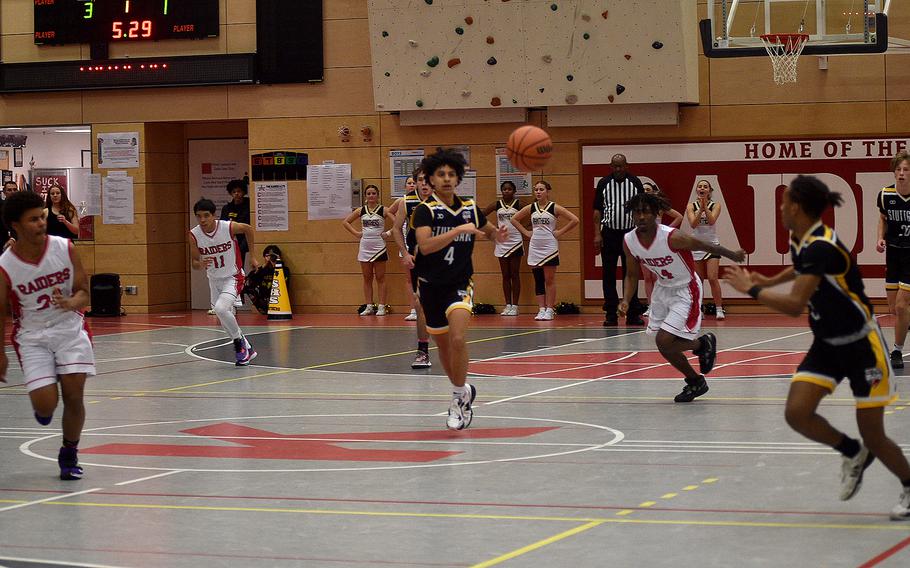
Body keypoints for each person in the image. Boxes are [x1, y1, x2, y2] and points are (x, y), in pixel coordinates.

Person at [725, 175, 910, 520]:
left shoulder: (821, 246)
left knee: (875, 433)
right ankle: (852, 451)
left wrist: (751, 289)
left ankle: (909, 483)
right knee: (797, 412)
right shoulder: (802, 237)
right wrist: (770, 280)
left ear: (796, 206)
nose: (780, 206)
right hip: (827, 343)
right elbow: (802, 266)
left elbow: (796, 305)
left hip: (861, 347)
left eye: (784, 202)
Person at [0, 191, 95, 480]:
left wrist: (71, 302)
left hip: (70, 328)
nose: (42, 223)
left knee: (74, 394)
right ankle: (45, 398)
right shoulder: (6, 266)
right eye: (33, 219)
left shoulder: (65, 247)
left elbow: (84, 291)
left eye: (42, 216)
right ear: (15, 225)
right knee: (45, 406)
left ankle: (69, 451)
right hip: (33, 335)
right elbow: (1, 313)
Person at [413, 148, 507, 430]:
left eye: (451, 174)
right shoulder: (424, 210)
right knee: (442, 346)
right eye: (440, 174)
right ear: (430, 178)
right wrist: (458, 231)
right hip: (430, 287)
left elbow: (487, 230)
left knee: (457, 339)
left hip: (459, 283)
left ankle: (458, 400)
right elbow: (426, 247)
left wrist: (496, 235)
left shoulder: (469, 207)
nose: (446, 178)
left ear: (458, 178)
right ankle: (462, 389)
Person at [619, 192, 745, 402]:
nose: (641, 217)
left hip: (686, 289)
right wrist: (625, 300)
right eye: (637, 212)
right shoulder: (629, 240)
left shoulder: (672, 236)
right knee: (664, 345)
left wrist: (732, 254)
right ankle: (695, 379)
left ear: (656, 214)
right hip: (663, 290)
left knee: (664, 340)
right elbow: (631, 275)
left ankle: (701, 345)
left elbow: (706, 246)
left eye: (646, 212)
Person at [189, 198, 260, 366]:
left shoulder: (228, 227)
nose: (203, 220)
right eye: (199, 216)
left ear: (214, 215)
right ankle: (247, 347)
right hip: (213, 279)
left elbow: (248, 229)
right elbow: (194, 263)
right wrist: (200, 264)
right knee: (221, 314)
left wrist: (253, 256)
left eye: (206, 215)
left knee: (221, 309)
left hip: (233, 277)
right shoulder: (193, 235)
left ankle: (239, 345)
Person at [511, 181, 579, 321]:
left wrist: (560, 232)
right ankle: (541, 309)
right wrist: (526, 232)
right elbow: (514, 219)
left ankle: (550, 309)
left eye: (541, 189)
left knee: (549, 279)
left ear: (547, 191)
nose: (538, 192)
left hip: (549, 246)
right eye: (536, 189)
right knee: (538, 279)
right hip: (535, 245)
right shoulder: (531, 207)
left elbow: (575, 220)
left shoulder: (554, 207)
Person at [389, 168, 434, 368]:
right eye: (420, 180)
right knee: (419, 303)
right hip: (418, 259)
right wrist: (405, 252)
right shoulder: (406, 202)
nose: (424, 184)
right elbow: (396, 228)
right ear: (415, 183)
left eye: (428, 180)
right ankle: (422, 351)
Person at [594, 154, 645, 326]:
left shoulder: (635, 183)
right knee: (608, 274)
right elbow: (597, 211)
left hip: (630, 234)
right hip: (609, 234)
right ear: (610, 166)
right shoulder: (603, 183)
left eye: (621, 166)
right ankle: (610, 313)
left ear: (626, 166)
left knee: (630, 274)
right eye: (615, 167)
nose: (618, 170)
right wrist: (596, 234)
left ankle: (632, 313)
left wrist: (641, 231)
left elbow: (641, 209)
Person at [876, 151, 910, 369]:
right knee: (894, 308)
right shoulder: (885, 195)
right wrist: (880, 238)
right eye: (898, 169)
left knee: (902, 303)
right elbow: (882, 219)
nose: (901, 173)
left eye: (906, 170)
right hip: (894, 254)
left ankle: (897, 351)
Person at [342, 184, 394, 315]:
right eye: (369, 194)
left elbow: (399, 222)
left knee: (380, 278)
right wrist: (356, 233)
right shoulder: (361, 211)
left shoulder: (384, 210)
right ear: (365, 196)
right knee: (367, 278)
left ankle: (381, 306)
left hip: (379, 247)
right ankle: (369, 306)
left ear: (378, 195)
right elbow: (345, 222)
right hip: (365, 246)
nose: (371, 196)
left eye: (373, 193)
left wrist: (388, 233)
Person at [482, 181, 525, 316]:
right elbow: (481, 214)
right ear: (501, 191)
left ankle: (515, 306)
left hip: (516, 241)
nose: (507, 191)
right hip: (502, 242)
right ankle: (508, 305)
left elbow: (533, 213)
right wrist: (492, 229)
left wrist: (525, 228)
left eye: (509, 189)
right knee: (505, 275)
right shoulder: (497, 204)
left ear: (514, 191)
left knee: (515, 274)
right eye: (504, 189)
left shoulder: (519, 204)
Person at [641, 182, 683, 317]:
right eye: (643, 190)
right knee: (647, 277)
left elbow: (679, 217)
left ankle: (662, 305)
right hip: (643, 242)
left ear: (653, 191)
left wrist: (666, 231)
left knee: (657, 276)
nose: (645, 191)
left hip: (658, 243)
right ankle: (650, 306)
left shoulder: (659, 205)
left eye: (648, 189)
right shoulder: (637, 207)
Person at [686, 180, 726, 320]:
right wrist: (700, 210)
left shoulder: (716, 205)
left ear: (709, 190)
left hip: (712, 245)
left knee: (713, 277)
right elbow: (693, 224)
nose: (702, 188)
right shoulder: (691, 206)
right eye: (700, 186)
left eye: (705, 186)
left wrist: (705, 207)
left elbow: (712, 220)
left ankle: (719, 309)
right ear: (697, 190)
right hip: (696, 245)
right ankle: (699, 309)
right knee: (699, 280)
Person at [243, 245, 291, 315]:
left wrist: (276, 265)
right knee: (247, 285)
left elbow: (284, 286)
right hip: (263, 301)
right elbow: (249, 282)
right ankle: (261, 308)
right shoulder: (261, 270)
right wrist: (263, 266)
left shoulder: (285, 270)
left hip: (278, 301)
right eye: (268, 256)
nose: (270, 258)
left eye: (272, 256)